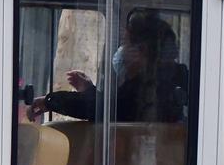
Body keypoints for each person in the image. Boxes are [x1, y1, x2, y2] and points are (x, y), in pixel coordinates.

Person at [28, 10, 185, 123]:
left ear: (141, 51)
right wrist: (89, 89)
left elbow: (104, 110)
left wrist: (50, 101)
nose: (120, 51)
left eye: (125, 43)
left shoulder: (148, 89)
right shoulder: (169, 83)